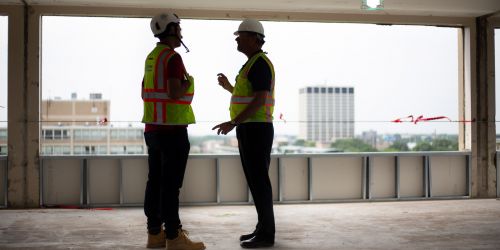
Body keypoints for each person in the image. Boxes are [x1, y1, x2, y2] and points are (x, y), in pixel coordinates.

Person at [141, 12, 205, 250]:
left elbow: (145, 90)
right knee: (170, 186)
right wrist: (188, 83)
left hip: (153, 130)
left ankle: (154, 233)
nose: (181, 33)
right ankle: (174, 237)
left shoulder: (151, 58)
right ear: (170, 30)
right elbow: (175, 92)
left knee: (154, 182)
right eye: (178, 28)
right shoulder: (172, 58)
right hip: (172, 132)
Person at [212, 18, 276, 248]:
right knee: (256, 181)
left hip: (256, 129)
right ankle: (262, 228)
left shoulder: (259, 63)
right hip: (251, 128)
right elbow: (249, 94)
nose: (237, 40)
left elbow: (260, 99)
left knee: (259, 182)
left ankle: (267, 234)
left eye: (241, 36)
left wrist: (233, 122)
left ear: (254, 39)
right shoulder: (252, 64)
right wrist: (229, 86)